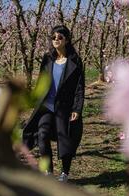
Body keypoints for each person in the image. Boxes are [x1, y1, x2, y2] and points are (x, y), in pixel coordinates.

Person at [22, 25, 85, 182]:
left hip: (65, 107)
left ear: (67, 40)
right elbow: (41, 81)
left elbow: (79, 87)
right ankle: (48, 172)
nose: (56, 40)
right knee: (42, 134)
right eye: (53, 37)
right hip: (47, 106)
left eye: (60, 37)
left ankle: (64, 173)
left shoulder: (75, 61)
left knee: (65, 138)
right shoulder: (48, 59)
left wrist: (77, 108)